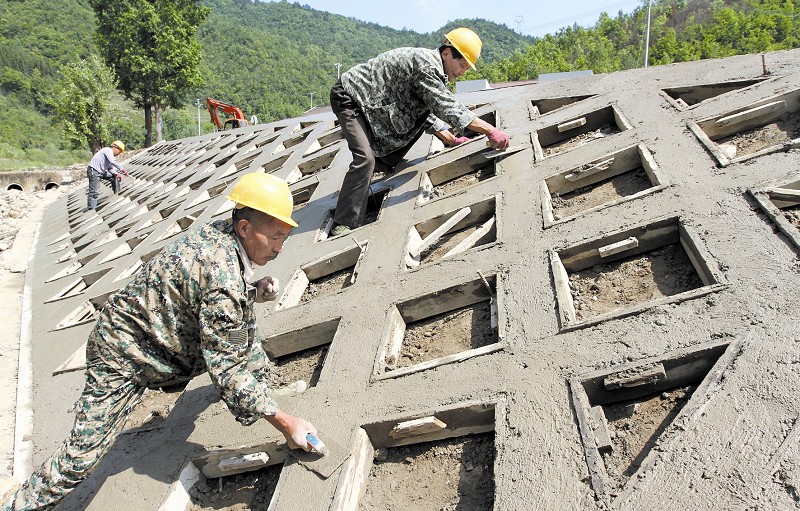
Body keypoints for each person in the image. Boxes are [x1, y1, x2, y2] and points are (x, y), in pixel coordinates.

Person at [3, 173, 318, 510]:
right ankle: (19, 503)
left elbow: (212, 295)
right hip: (121, 353)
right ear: (244, 228)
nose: (279, 248)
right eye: (274, 238)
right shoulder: (222, 276)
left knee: (241, 326)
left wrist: (251, 293)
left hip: (153, 330)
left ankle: (263, 391)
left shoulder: (223, 235)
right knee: (82, 456)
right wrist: (287, 423)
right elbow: (226, 370)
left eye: (284, 238)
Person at [328, 27, 511, 237]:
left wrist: (450, 139)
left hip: (372, 105)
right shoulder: (427, 66)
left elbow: (424, 111)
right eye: (461, 65)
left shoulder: (432, 70)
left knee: (403, 132)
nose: (461, 72)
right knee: (365, 159)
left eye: (466, 68)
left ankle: (379, 165)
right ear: (446, 53)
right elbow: (446, 106)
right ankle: (343, 225)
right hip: (350, 97)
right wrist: (490, 130)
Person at [86, 140, 129, 210]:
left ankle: (118, 193)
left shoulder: (110, 155)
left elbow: (110, 168)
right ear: (115, 148)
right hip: (94, 171)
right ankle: (91, 209)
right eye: (119, 151)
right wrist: (122, 169)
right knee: (94, 192)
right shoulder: (107, 150)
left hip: (101, 172)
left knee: (114, 177)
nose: (119, 153)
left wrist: (116, 174)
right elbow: (113, 161)